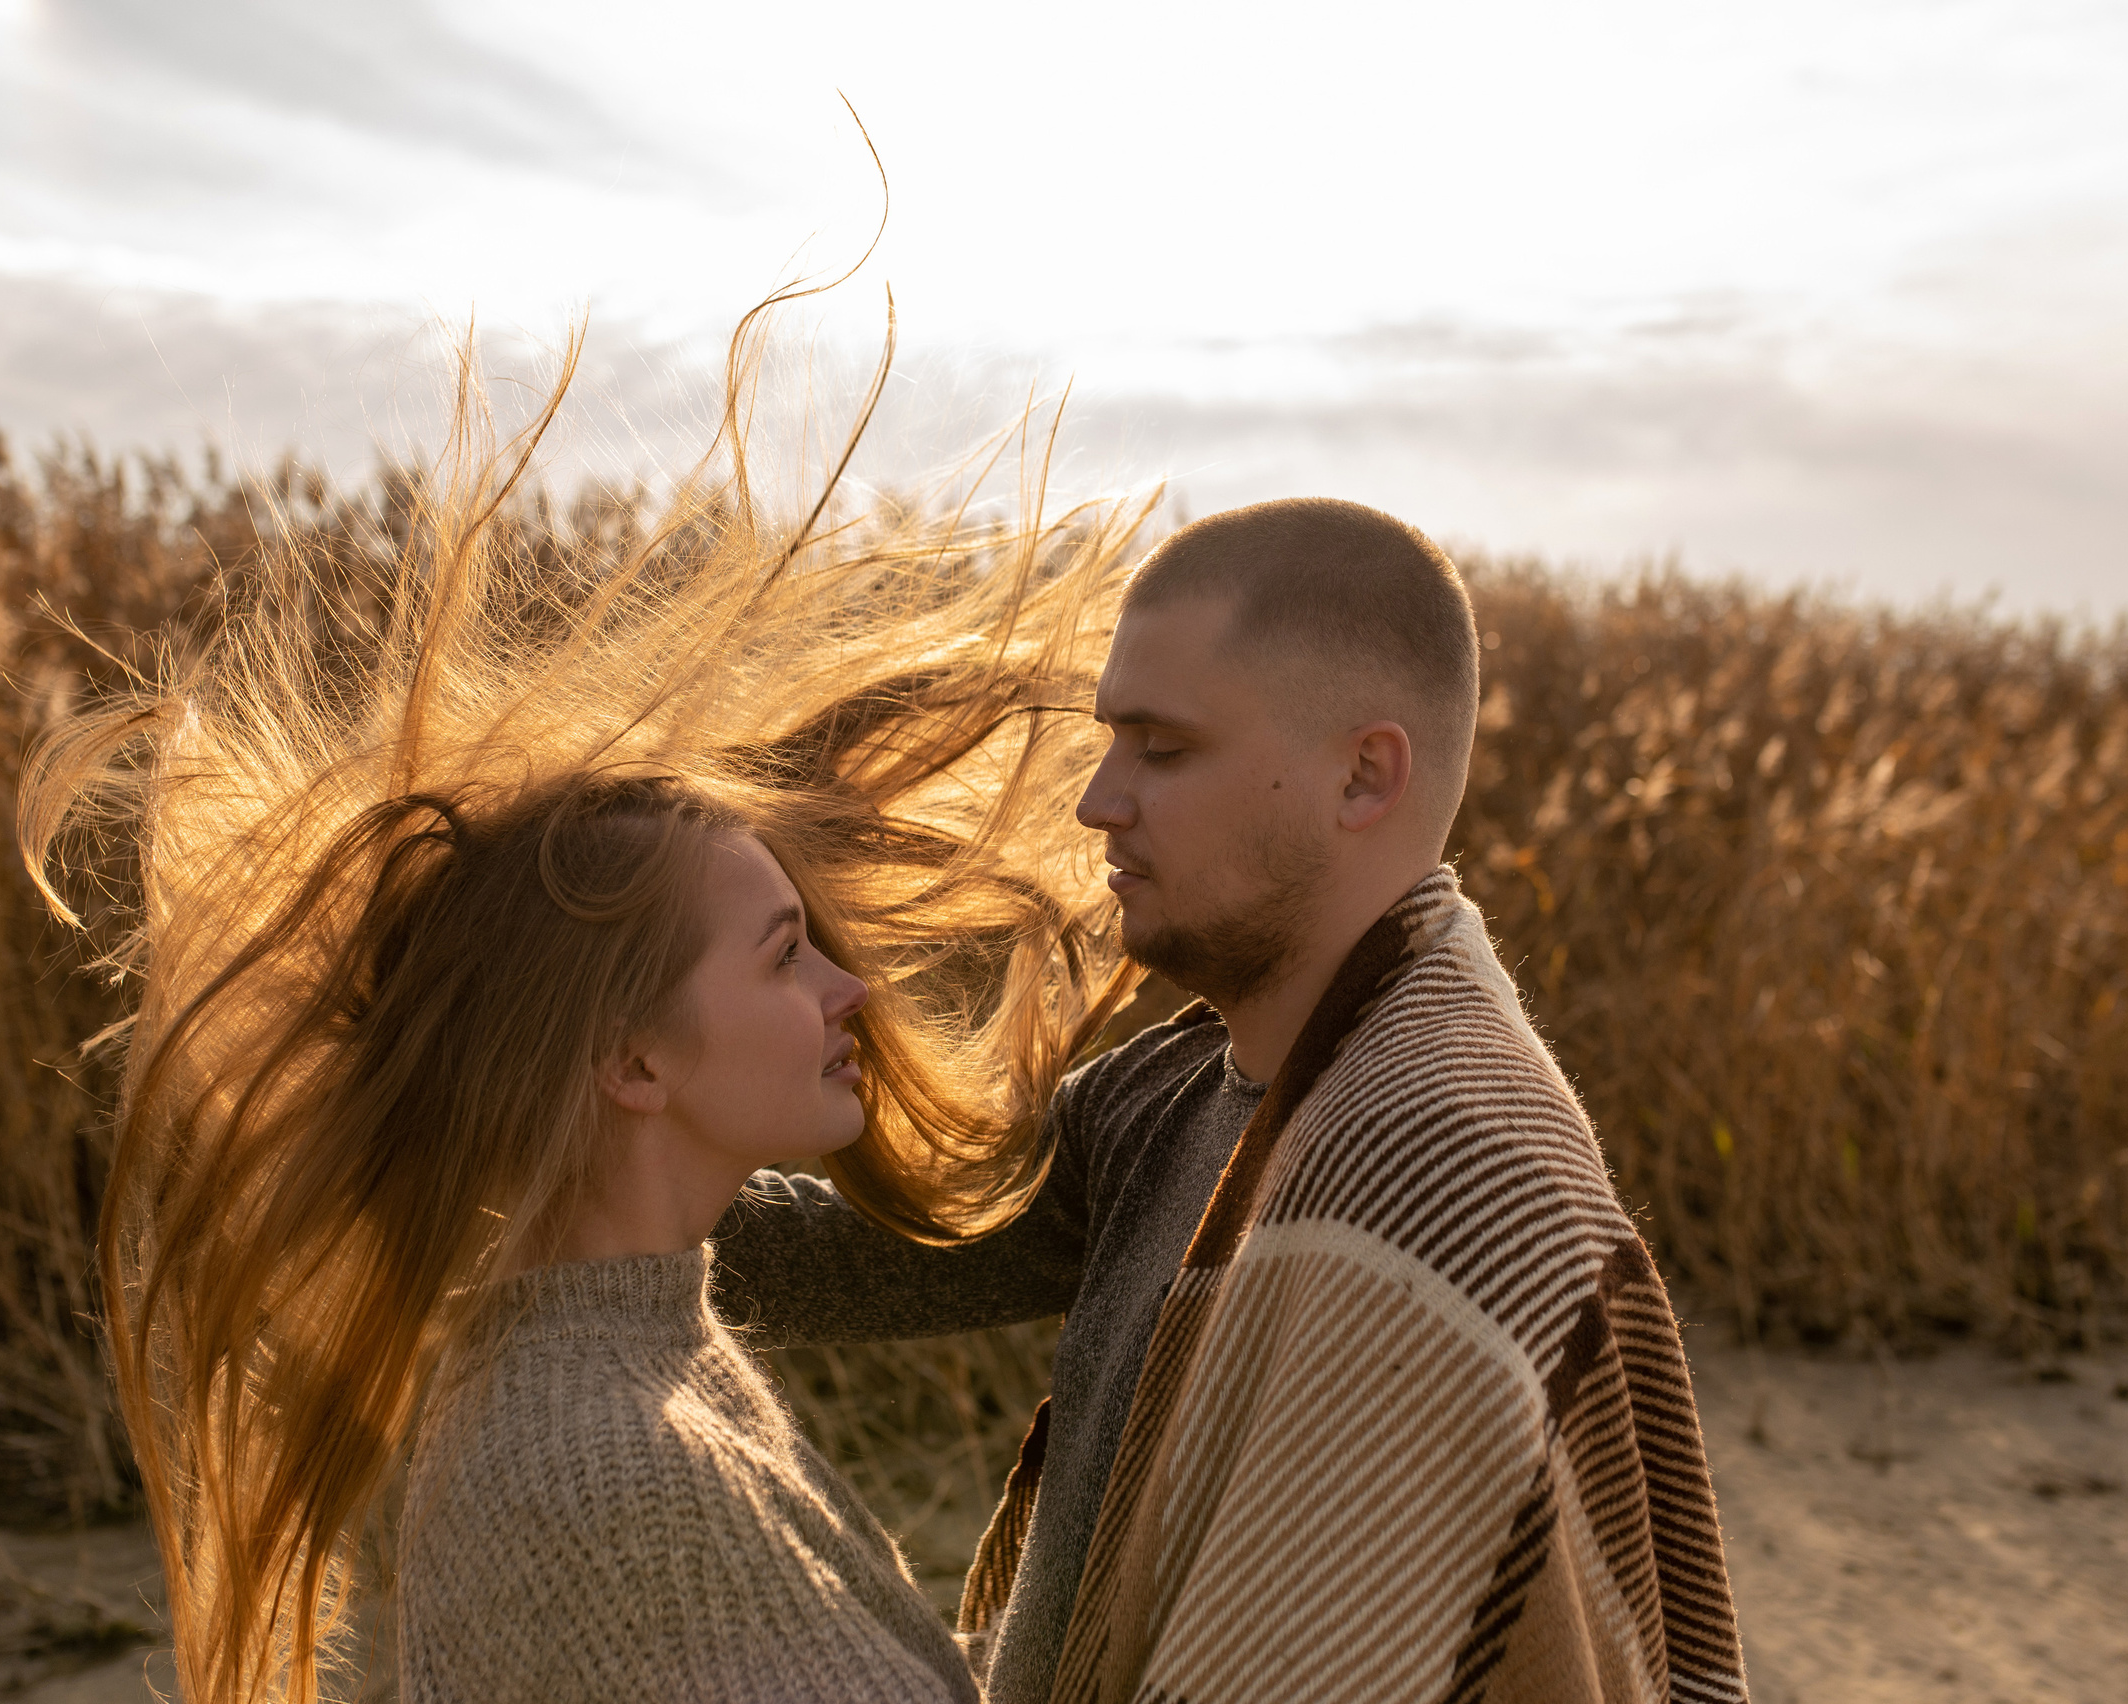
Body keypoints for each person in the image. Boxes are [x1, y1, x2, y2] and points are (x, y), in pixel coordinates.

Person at [17, 334, 1151, 1704]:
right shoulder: (604, 1469)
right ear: (629, 1060)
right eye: (787, 956)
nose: (851, 992)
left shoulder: (635, 1352)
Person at [714, 498, 1751, 1702]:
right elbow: (884, 1252)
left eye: (1162, 748)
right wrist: (547, 1155)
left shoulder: (1431, 1162)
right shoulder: (1182, 1091)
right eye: (1110, 743)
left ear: (1363, 775)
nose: (1099, 801)